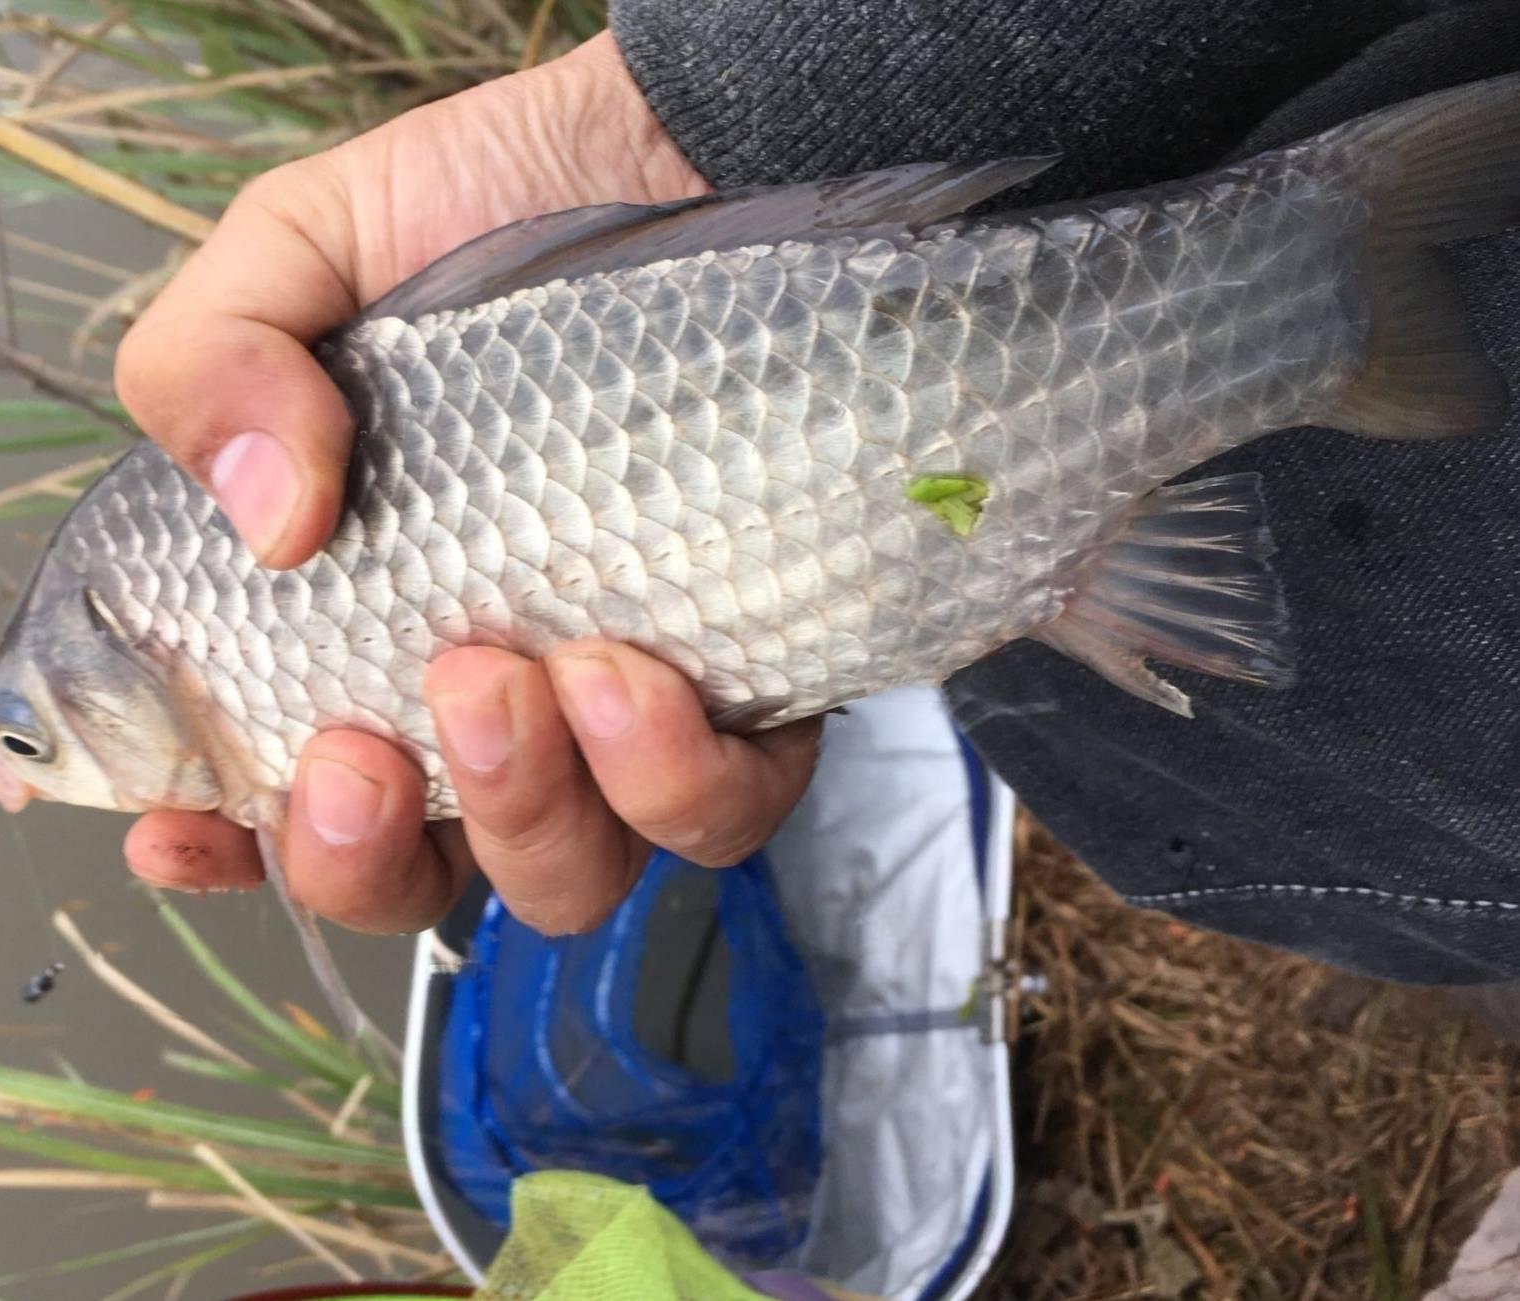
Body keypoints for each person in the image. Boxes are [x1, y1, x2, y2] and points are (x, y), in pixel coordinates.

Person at [112, 1, 1520, 984]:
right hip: (944, 498)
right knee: (1113, 738)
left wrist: (704, 116)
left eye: (35, 741)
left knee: (1184, 774)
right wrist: (694, 112)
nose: (22, 774)